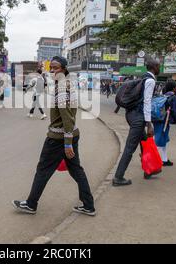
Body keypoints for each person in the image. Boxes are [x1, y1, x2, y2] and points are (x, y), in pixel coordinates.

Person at [12, 56, 96, 216]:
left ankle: (31, 204)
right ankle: (88, 205)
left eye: (56, 68)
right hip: (69, 135)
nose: (52, 71)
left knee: (43, 169)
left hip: (58, 138)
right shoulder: (68, 83)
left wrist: (67, 142)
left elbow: (66, 116)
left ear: (64, 69)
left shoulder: (63, 87)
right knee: (76, 170)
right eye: (51, 68)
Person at [112, 58, 161, 186]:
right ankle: (118, 177)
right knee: (130, 148)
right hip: (138, 118)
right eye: (159, 66)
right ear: (154, 67)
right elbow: (147, 102)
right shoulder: (150, 81)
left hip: (131, 114)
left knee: (144, 142)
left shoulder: (143, 78)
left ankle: (149, 169)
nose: (159, 68)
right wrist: (149, 124)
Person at [153, 80, 176, 167]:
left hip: (158, 121)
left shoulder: (164, 95)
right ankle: (147, 156)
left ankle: (164, 159)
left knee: (163, 141)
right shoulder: (173, 97)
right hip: (164, 123)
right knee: (159, 141)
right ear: (173, 88)